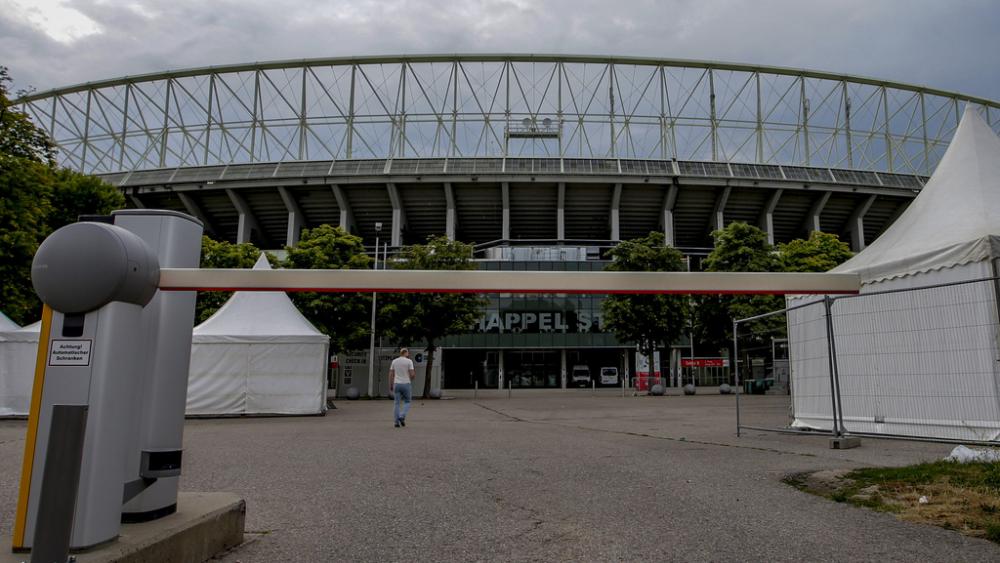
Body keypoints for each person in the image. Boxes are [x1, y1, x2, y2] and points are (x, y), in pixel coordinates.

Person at [389, 348, 415, 428]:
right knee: (407, 401)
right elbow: (412, 374)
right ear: (405, 353)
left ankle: (396, 423)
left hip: (397, 384)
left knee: (396, 403)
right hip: (406, 384)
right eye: (408, 353)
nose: (408, 354)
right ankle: (401, 416)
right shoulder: (409, 361)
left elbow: (391, 374)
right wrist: (412, 377)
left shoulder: (394, 361)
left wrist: (391, 385)